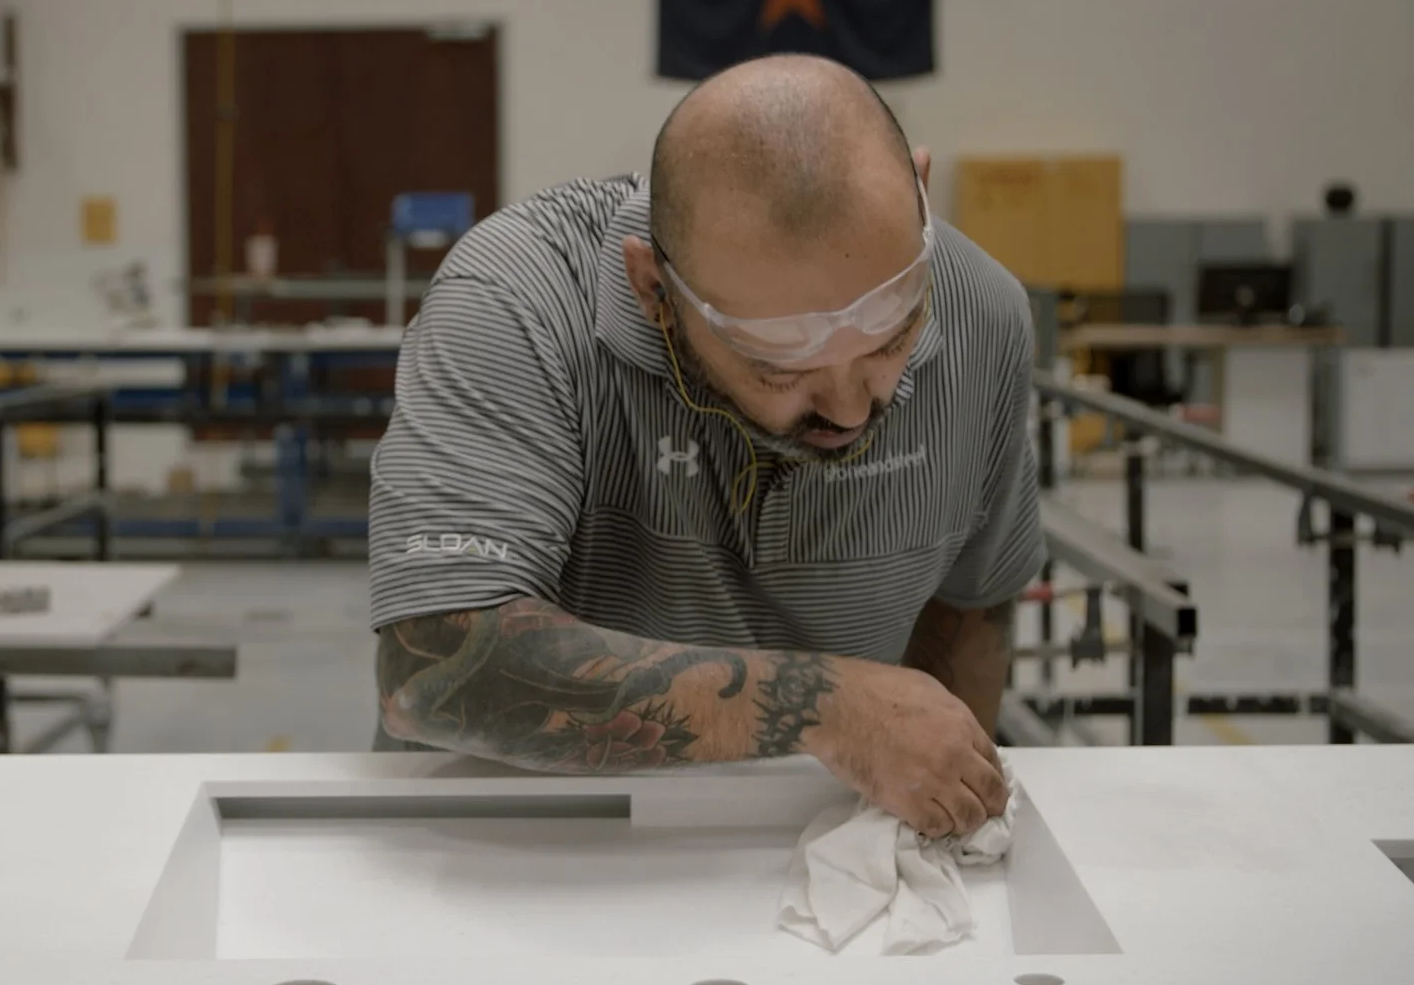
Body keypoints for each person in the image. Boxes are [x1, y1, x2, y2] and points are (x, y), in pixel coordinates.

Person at [368, 54, 1043, 841]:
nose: (851, 405)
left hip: (813, 844)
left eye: (893, 339)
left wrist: (932, 829)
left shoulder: (985, 313)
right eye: (777, 368)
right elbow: (437, 663)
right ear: (654, 288)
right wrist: (832, 708)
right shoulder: (518, 302)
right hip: (521, 847)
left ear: (920, 190)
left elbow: (972, 605)